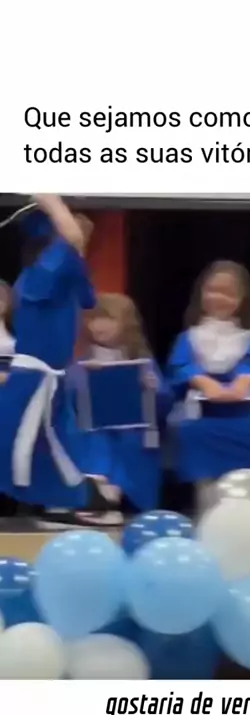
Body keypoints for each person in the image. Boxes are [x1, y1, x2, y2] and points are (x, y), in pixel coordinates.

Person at [0, 195, 116, 527]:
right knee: (14, 445)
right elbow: (73, 238)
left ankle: (63, 504)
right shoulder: (39, 275)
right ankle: (68, 501)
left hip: (51, 381)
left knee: (57, 444)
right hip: (32, 381)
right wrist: (51, 201)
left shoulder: (65, 277)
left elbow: (86, 291)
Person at [167, 260, 250, 510]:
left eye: (228, 293)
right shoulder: (189, 337)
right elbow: (181, 367)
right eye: (212, 290)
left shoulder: (248, 338)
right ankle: (206, 507)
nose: (219, 298)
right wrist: (203, 381)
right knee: (191, 431)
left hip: (242, 413)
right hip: (201, 414)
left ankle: (246, 508)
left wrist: (244, 381)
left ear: (242, 300)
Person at [72, 293, 172, 521]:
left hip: (135, 430)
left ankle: (113, 494)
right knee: (94, 440)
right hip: (94, 428)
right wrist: (82, 381)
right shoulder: (81, 361)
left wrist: (154, 389)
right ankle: (100, 490)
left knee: (132, 442)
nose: (99, 325)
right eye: (93, 318)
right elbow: (70, 402)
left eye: (108, 318)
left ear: (126, 323)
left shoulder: (143, 362)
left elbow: (164, 405)